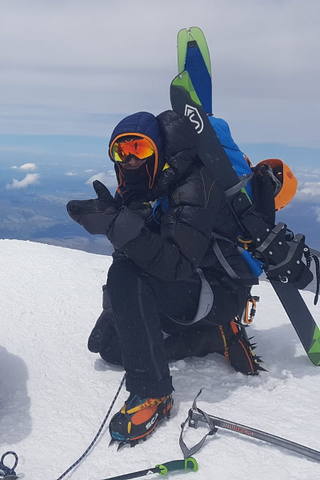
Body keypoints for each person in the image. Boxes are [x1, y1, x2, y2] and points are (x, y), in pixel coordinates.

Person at [67, 110, 264, 447]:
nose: (129, 159)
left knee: (126, 274)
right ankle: (211, 338)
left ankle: (153, 393)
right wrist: (116, 309)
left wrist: (117, 225)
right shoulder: (139, 184)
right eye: (120, 150)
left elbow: (175, 264)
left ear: (157, 149)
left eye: (138, 149)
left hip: (219, 289)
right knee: (111, 349)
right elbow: (135, 250)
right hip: (186, 288)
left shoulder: (195, 183)